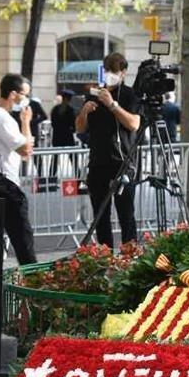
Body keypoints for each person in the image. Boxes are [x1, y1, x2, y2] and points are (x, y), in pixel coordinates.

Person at [76, 52, 140, 248]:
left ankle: (130, 255)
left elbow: (134, 124)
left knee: (126, 214)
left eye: (114, 71)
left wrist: (112, 105)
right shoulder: (93, 94)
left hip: (123, 163)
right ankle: (104, 258)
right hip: (98, 162)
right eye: (107, 71)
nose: (109, 75)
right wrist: (84, 112)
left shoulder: (129, 94)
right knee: (100, 216)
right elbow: (79, 128)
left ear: (123, 73)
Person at [0, 74, 37, 271]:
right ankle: (33, 286)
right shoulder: (3, 118)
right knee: (23, 241)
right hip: (4, 185)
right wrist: (26, 121)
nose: (26, 100)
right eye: (24, 95)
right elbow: (26, 150)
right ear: (13, 94)